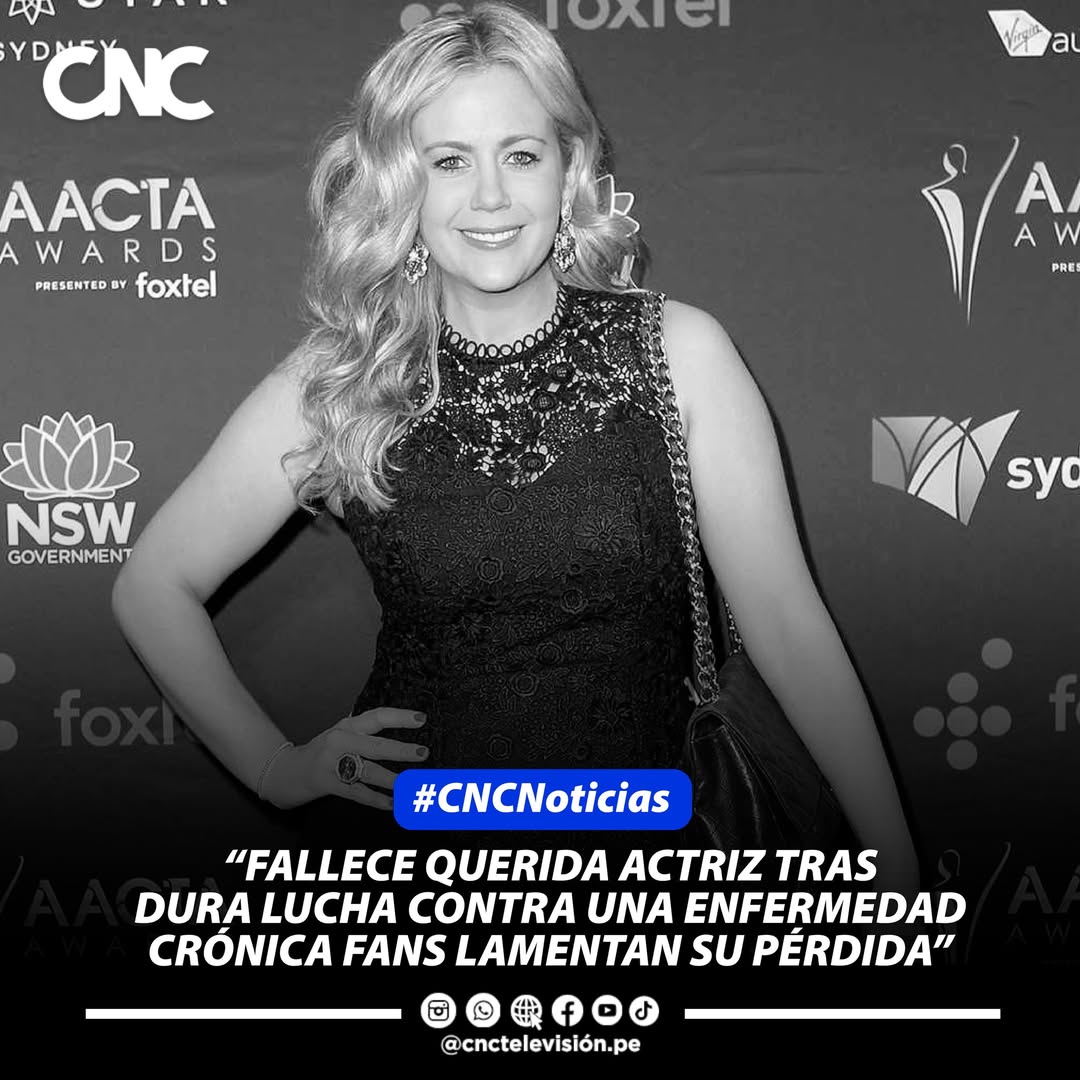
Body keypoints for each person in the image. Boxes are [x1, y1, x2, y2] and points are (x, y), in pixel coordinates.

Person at [110, 2, 920, 893]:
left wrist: (899, 873)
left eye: (521, 155)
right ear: (399, 183)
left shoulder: (677, 351)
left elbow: (787, 629)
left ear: (568, 168)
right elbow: (153, 586)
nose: (490, 196)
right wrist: (277, 767)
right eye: (449, 161)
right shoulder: (348, 379)